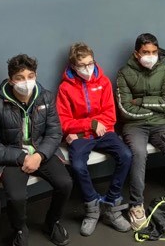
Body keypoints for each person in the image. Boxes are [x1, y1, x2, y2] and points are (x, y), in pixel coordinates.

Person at [0, 54, 73, 246]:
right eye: (20, 78)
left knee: (65, 183)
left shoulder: (46, 97)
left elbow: (54, 133)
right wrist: (22, 157)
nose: (26, 82)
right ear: (11, 80)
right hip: (12, 156)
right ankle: (20, 229)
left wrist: (39, 155)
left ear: (36, 76)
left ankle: (52, 223)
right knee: (16, 196)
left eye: (30, 76)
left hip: (41, 151)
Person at [56, 42, 132, 235]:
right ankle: (92, 208)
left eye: (90, 63)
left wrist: (96, 125)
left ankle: (112, 204)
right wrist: (90, 124)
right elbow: (64, 122)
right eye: (82, 65)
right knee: (77, 166)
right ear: (73, 66)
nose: (87, 68)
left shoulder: (103, 82)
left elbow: (110, 116)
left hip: (104, 132)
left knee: (126, 155)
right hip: (82, 136)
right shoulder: (65, 88)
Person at [116, 33, 165, 231]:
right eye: (146, 52)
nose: (151, 56)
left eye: (154, 52)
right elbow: (125, 109)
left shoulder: (164, 69)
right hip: (134, 125)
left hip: (161, 123)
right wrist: (154, 108)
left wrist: (141, 101)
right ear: (136, 53)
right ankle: (136, 205)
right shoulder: (123, 73)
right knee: (138, 153)